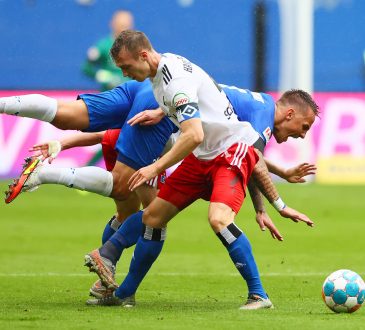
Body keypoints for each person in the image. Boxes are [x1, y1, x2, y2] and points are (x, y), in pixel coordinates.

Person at [83, 30, 319, 310]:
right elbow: (210, 98)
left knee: (218, 218)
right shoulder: (168, 75)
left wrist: (274, 206)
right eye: (303, 128)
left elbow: (243, 149)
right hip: (204, 154)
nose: (302, 135)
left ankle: (259, 295)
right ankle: (121, 286)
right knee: (153, 216)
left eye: (126, 67)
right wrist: (164, 111)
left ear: (144, 56)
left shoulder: (175, 72)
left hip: (229, 154)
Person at [82, 10, 134, 91]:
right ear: (112, 24)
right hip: (108, 94)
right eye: (120, 25)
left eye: (126, 25)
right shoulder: (102, 46)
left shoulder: (137, 46)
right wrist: (101, 76)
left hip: (131, 94)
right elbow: (86, 68)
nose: (123, 29)